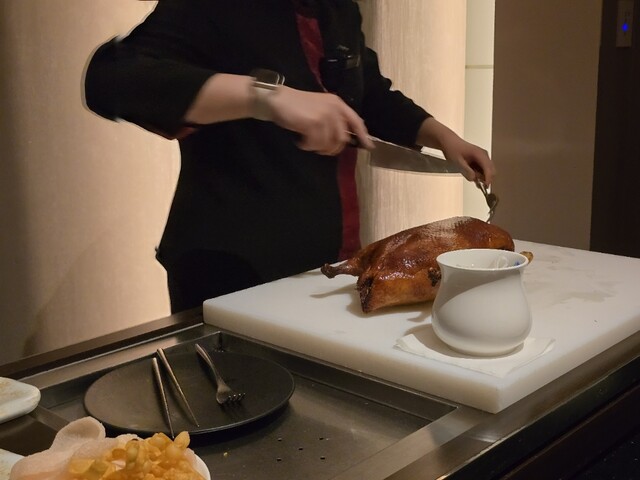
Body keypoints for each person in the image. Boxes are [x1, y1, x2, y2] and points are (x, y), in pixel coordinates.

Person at [84, 0, 494, 313]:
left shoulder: (338, 8)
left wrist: (442, 136)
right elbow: (112, 80)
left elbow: (368, 92)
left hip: (321, 258)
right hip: (229, 266)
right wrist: (267, 98)